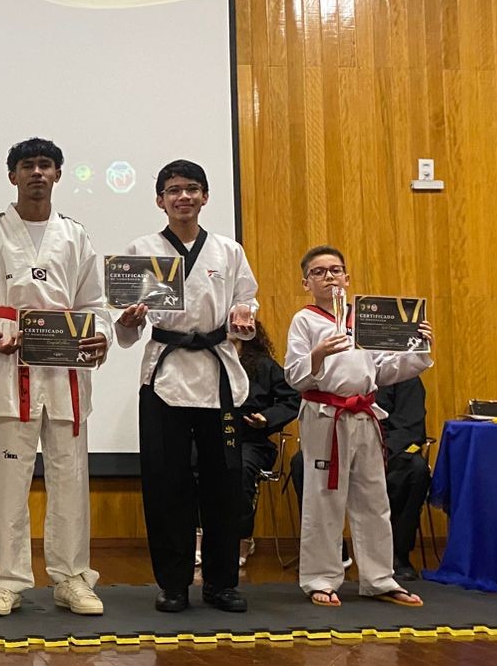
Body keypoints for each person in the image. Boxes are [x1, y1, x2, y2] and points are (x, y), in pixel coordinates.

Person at [0, 137, 110, 618]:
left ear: (58, 174)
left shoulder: (76, 236)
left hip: (64, 371)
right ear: (12, 175)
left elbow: (94, 304)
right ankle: (6, 580)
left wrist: (98, 335)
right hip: (8, 367)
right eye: (27, 165)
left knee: (70, 478)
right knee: (8, 482)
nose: (37, 173)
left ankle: (72, 576)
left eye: (45, 165)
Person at [115, 160, 259, 613]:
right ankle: (173, 584)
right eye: (174, 190)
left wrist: (243, 315)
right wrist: (129, 319)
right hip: (164, 376)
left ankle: (221, 583)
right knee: (166, 483)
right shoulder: (142, 249)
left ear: (205, 197)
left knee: (225, 484)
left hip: (217, 376)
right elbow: (125, 323)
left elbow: (246, 297)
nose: (183, 197)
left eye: (192, 189)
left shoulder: (227, 250)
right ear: (160, 199)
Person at [284, 246, 431, 608]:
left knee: (373, 497)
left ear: (347, 278)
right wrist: (318, 354)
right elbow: (294, 375)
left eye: (336, 270)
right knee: (323, 498)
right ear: (307, 283)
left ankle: (380, 578)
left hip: (365, 413)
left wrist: (419, 344)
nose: (329, 277)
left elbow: (385, 370)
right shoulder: (304, 320)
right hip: (324, 415)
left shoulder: (365, 318)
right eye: (319, 272)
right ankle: (321, 578)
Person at [235, 322, 299, 564]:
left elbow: (292, 398)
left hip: (252, 439)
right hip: (212, 436)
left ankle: (242, 538)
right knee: (194, 464)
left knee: (241, 470)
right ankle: (200, 537)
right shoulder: (207, 362)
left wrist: (267, 418)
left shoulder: (263, 365)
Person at [378, 376, 431, 581]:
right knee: (303, 463)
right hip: (344, 444)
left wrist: (381, 450)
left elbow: (410, 427)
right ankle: (332, 552)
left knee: (415, 470)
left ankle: (398, 554)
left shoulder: (404, 374)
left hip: (388, 448)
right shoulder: (337, 368)